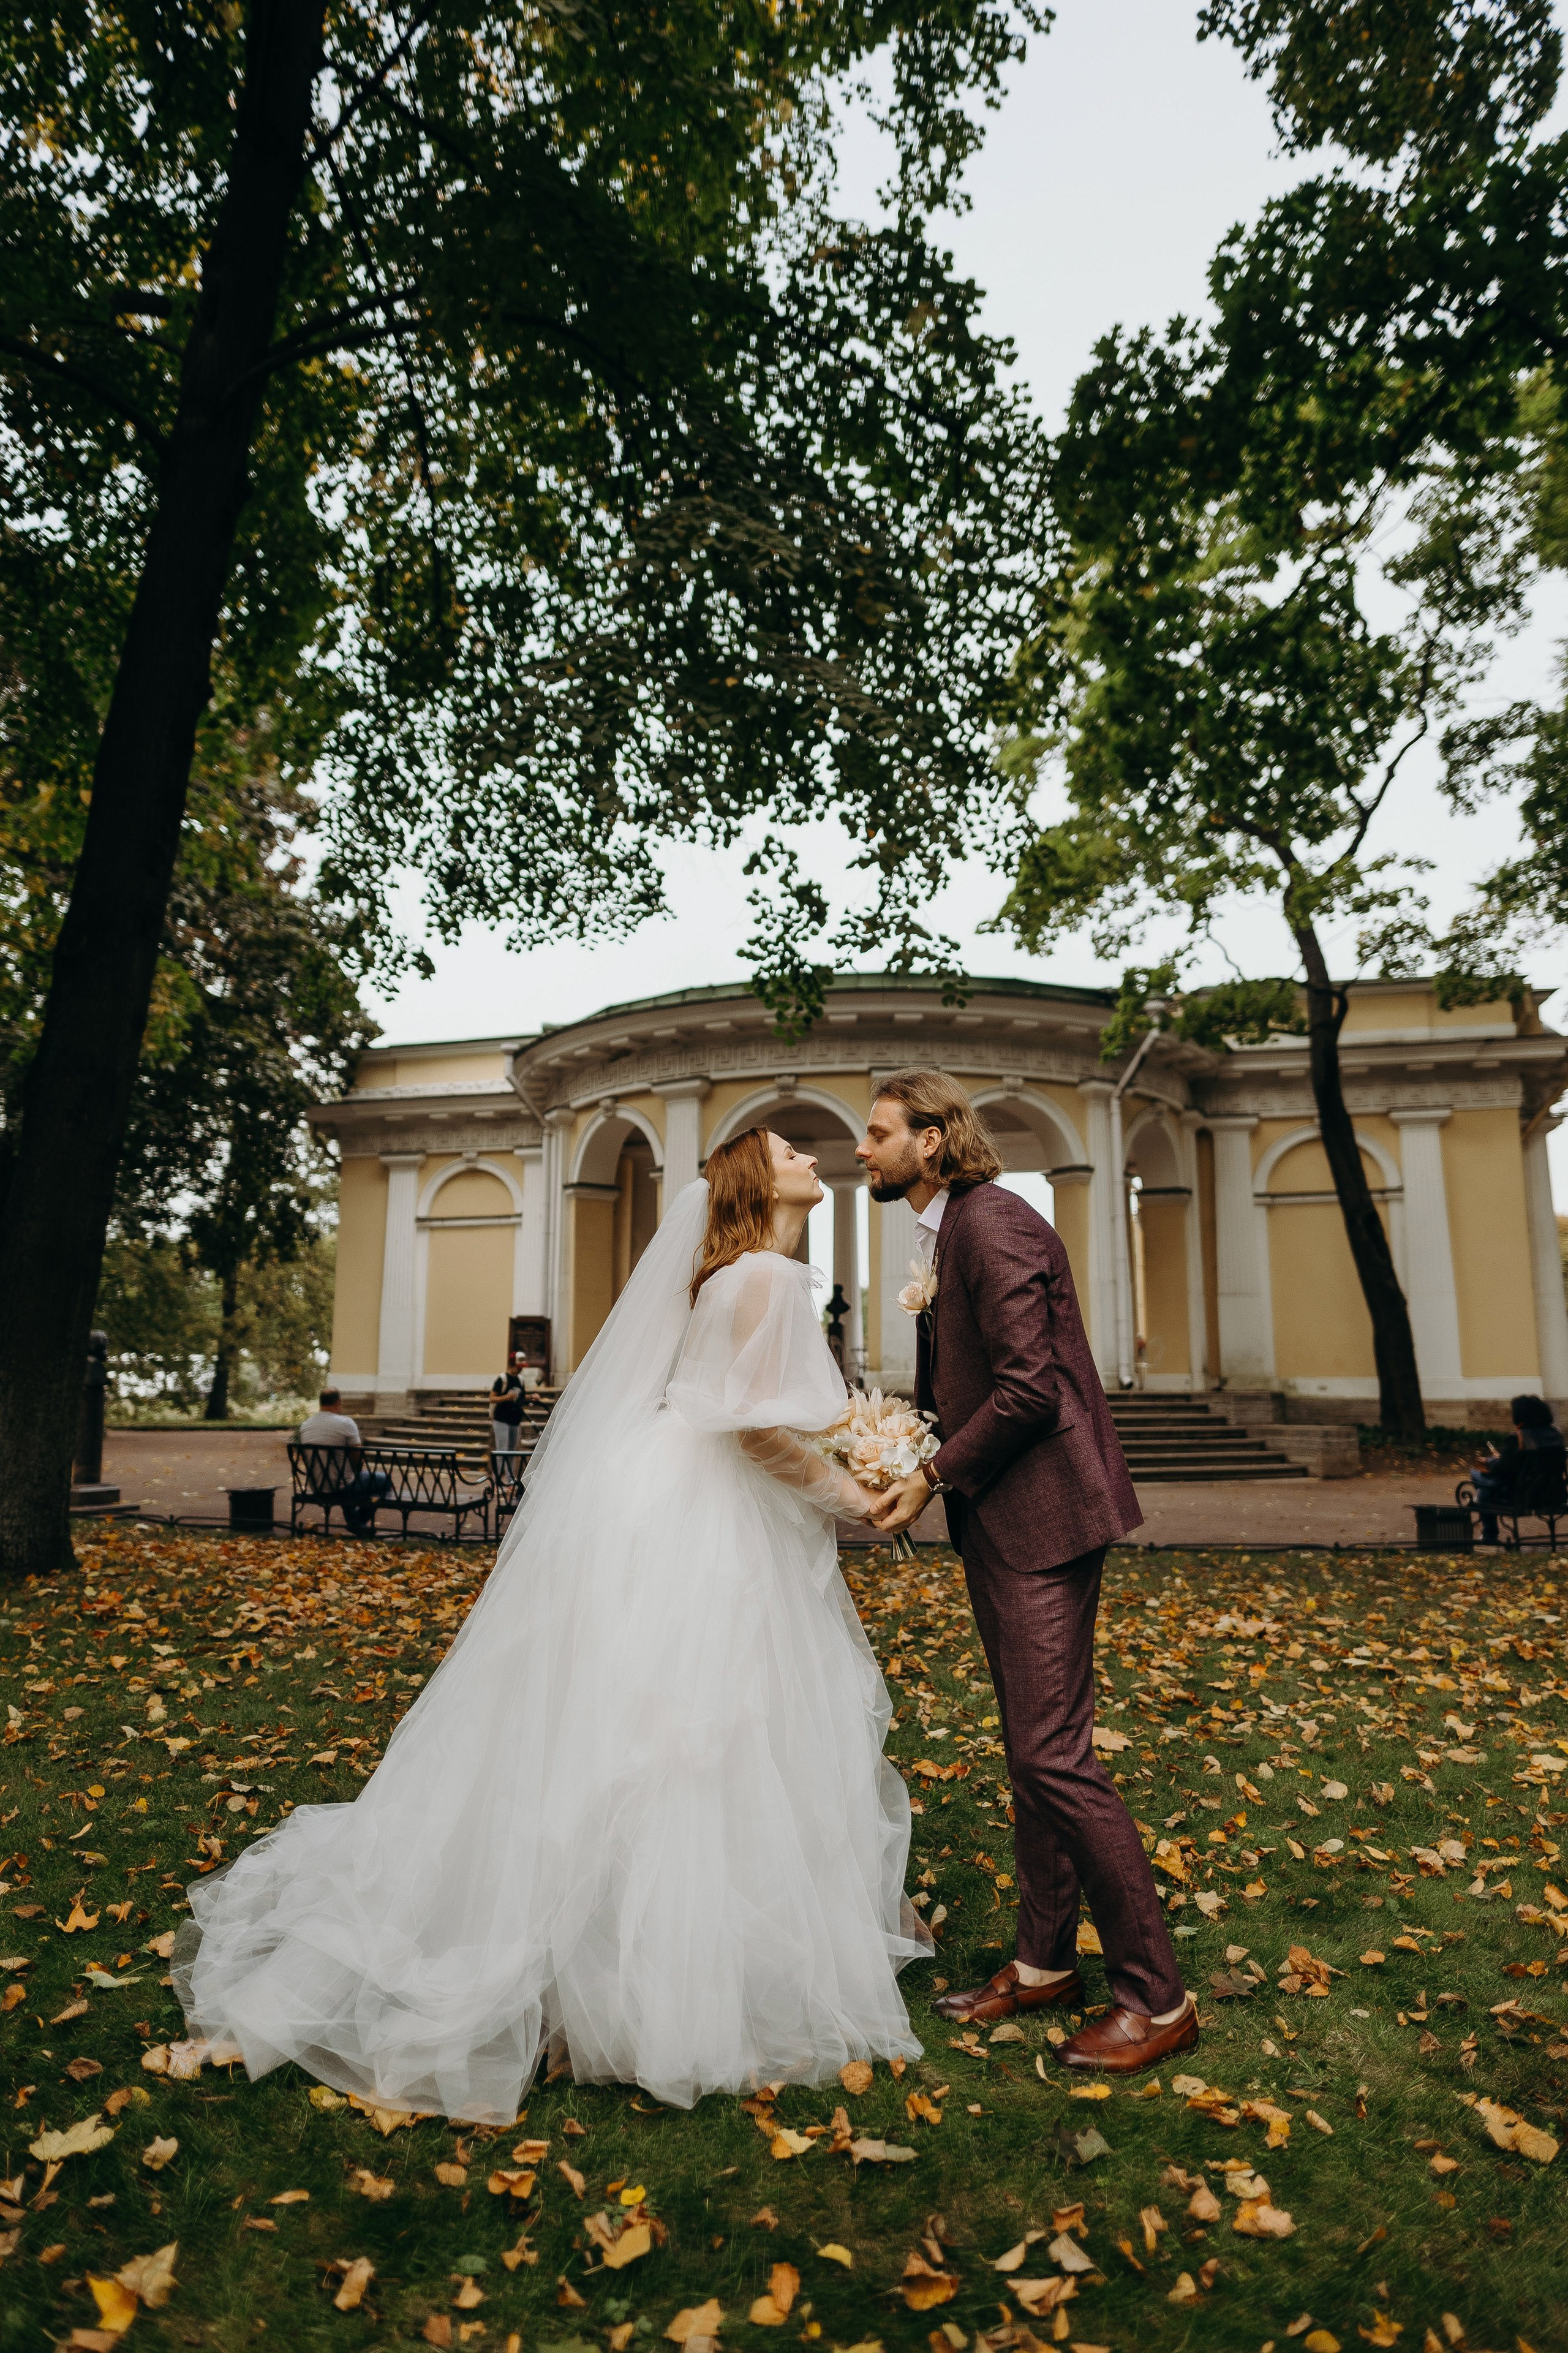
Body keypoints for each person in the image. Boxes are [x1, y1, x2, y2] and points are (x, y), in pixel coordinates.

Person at [173, 1134, 930, 2120]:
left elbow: (735, 1408)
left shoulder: (728, 1277)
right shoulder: (769, 1279)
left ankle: (594, 1958)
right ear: (761, 1180)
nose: (808, 1155)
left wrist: (847, 1453)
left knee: (637, 1718)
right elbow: (750, 1426)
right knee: (708, 1720)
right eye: (789, 1149)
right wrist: (849, 1489)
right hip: (714, 1512)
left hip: (663, 1495)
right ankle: (665, 1977)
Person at [861, 1069, 1196, 2076]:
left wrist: (930, 1478)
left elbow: (1030, 1390)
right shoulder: (946, 1230)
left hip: (1043, 1516)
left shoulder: (992, 1222)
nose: (861, 1151)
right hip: (1005, 1520)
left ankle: (1158, 1996)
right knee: (1033, 1751)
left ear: (931, 1141)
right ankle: (1045, 1964)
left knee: (1055, 1756)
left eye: (879, 1134)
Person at [1470, 1394, 1566, 1543]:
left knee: (1478, 1474)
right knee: (1489, 1485)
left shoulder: (1518, 1438)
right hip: (1554, 1495)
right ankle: (1484, 1501)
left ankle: (1489, 1532)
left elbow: (1502, 1469)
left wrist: (1491, 1462)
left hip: (1522, 1497)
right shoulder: (1556, 1434)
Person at [296, 1388, 391, 1537]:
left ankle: (355, 1521)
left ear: (320, 1404)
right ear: (338, 1403)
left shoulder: (306, 1425)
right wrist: (354, 1470)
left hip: (316, 1485)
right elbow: (357, 1458)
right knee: (385, 1481)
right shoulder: (346, 1423)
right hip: (342, 1486)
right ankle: (357, 1521)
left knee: (345, 1477)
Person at [491, 1358, 525, 1460]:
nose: (520, 1369)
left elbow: (522, 1396)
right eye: (519, 1367)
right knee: (502, 1449)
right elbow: (492, 1398)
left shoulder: (521, 1380)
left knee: (512, 1451)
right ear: (512, 1365)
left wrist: (532, 1397)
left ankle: (510, 1475)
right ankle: (499, 1475)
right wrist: (505, 1397)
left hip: (515, 1419)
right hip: (501, 1418)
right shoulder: (502, 1379)